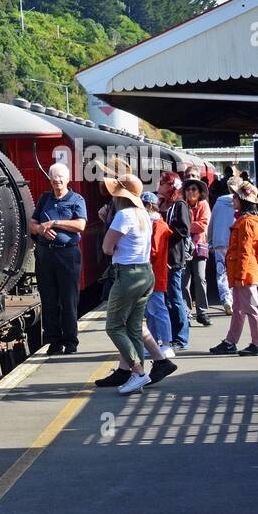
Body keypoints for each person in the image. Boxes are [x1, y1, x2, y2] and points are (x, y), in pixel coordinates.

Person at [96, 164, 156, 395]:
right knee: (133, 327)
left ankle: (139, 372)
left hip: (127, 275)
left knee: (113, 326)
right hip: (145, 273)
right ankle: (136, 378)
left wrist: (107, 224)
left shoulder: (122, 215)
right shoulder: (143, 214)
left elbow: (107, 248)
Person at [29, 161, 86, 354]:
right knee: (49, 298)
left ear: (68, 179)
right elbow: (33, 223)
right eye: (54, 179)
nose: (57, 181)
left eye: (61, 178)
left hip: (67, 253)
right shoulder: (44, 199)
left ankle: (70, 341)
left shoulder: (76, 199)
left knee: (68, 298)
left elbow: (80, 225)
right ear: (50, 181)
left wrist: (54, 223)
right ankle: (53, 341)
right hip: (46, 253)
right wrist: (41, 230)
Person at [211, 179, 258, 356]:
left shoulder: (246, 222)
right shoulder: (250, 220)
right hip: (243, 270)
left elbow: (245, 251)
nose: (233, 199)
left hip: (245, 272)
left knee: (251, 308)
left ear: (243, 200)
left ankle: (257, 344)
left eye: (236, 196)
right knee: (239, 307)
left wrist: (240, 275)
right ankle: (231, 341)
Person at [142, 191, 178, 364]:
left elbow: (154, 250)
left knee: (159, 308)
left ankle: (166, 342)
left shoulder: (157, 225)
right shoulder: (154, 223)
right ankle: (154, 343)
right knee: (151, 310)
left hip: (154, 272)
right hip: (151, 272)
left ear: (148, 205)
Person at [159, 173, 193, 349]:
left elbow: (184, 229)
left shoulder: (180, 205)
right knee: (166, 298)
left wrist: (165, 234)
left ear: (171, 185)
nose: (159, 185)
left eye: (163, 183)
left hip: (174, 257)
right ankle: (171, 334)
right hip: (161, 257)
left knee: (175, 296)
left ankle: (181, 337)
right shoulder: (162, 204)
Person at [181, 173, 211, 325]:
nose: (190, 192)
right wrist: (190, 226)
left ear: (199, 192)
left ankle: (202, 312)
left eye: (193, 189)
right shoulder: (181, 205)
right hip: (183, 248)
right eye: (188, 189)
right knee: (184, 280)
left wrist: (186, 226)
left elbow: (203, 225)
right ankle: (186, 312)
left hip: (199, 246)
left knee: (200, 278)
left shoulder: (204, 205)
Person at [209, 180, 237, 315]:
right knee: (236, 271)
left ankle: (226, 299)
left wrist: (210, 240)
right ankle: (236, 299)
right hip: (235, 242)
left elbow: (212, 221)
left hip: (220, 242)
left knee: (222, 273)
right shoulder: (240, 202)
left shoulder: (218, 203)